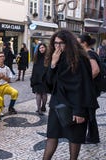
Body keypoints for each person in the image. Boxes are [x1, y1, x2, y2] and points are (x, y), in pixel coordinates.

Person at [43, 30, 98, 160]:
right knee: (52, 136)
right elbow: (49, 84)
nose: (57, 46)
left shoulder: (81, 58)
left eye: (61, 43)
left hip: (75, 105)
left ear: (69, 43)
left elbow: (84, 85)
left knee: (74, 138)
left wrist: (79, 111)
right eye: (55, 43)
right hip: (57, 103)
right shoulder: (56, 57)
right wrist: (53, 64)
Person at [77, 34, 100, 144]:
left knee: (90, 113)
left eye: (78, 42)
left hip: (91, 88)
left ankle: (93, 137)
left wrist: (85, 82)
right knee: (90, 112)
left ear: (84, 43)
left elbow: (95, 70)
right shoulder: (90, 53)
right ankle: (91, 136)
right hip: (91, 88)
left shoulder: (89, 54)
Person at [30, 43, 48, 115]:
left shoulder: (48, 57)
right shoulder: (36, 57)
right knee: (38, 93)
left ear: (45, 48)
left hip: (45, 78)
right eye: (40, 48)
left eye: (43, 47)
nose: (41, 49)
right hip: (36, 78)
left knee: (44, 93)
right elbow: (34, 68)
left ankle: (43, 106)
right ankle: (39, 108)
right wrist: (32, 78)